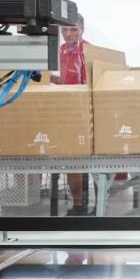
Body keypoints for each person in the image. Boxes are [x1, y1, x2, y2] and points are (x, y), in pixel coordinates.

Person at [53, 13, 91, 216]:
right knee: (71, 160)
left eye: (73, 30)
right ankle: (78, 205)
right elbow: (63, 80)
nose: (68, 34)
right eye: (65, 30)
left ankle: (88, 206)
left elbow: (88, 84)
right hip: (65, 109)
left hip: (83, 110)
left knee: (84, 160)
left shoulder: (89, 51)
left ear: (82, 30)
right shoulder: (60, 51)